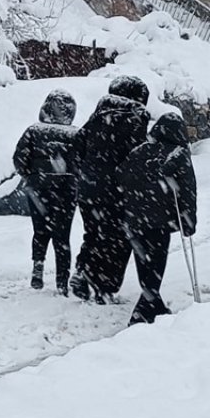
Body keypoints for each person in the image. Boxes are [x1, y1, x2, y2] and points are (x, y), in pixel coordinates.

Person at [67, 75, 151, 303]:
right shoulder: (136, 117)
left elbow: (76, 146)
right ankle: (104, 285)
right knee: (119, 239)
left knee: (93, 233)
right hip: (117, 191)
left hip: (89, 190)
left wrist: (86, 173)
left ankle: (83, 272)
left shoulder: (98, 114)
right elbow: (137, 157)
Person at [116, 112, 197, 325]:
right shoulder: (178, 153)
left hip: (134, 220)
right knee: (157, 265)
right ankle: (139, 315)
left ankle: (157, 308)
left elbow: (121, 179)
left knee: (144, 263)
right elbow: (187, 190)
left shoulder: (138, 151)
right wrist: (188, 221)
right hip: (159, 221)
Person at [12, 89, 80, 294]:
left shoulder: (34, 131)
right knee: (62, 236)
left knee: (40, 231)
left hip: (38, 189)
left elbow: (19, 158)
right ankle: (62, 282)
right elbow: (82, 163)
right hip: (66, 190)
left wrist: (30, 176)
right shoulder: (75, 134)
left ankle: (38, 267)